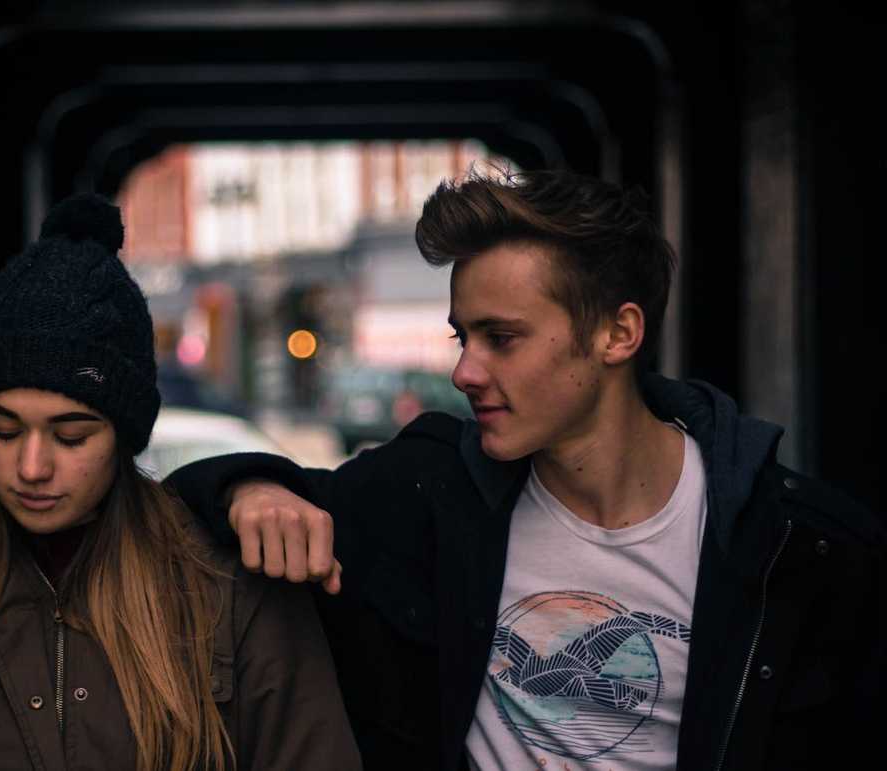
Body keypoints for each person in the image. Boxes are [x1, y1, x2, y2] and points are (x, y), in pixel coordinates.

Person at [167, 168, 886, 770]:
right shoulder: (431, 489)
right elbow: (169, 509)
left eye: (501, 338)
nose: (464, 371)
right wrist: (250, 487)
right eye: (463, 337)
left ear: (618, 333)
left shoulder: (796, 546)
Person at [0, 194, 362, 771]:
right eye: (3, 431)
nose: (32, 467)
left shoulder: (234, 605)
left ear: (123, 438)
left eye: (71, 436)